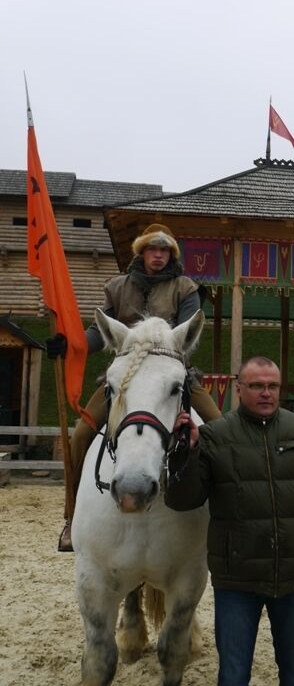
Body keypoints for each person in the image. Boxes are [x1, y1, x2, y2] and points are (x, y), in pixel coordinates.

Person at [166, 355, 294, 686]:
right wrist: (186, 453)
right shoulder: (213, 437)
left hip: (293, 579)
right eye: (256, 386)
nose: (266, 393)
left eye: (272, 386)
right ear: (239, 389)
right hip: (237, 582)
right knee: (234, 676)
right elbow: (182, 500)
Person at [48, 223, 221, 552]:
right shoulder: (116, 286)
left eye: (165, 250)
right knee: (81, 435)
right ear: (141, 253)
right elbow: (99, 335)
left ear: (171, 254)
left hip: (171, 367)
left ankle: (227, 511)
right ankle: (71, 516)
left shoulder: (186, 287)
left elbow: (187, 333)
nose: (159, 255)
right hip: (127, 372)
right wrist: (70, 344)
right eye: (153, 249)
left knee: (220, 426)